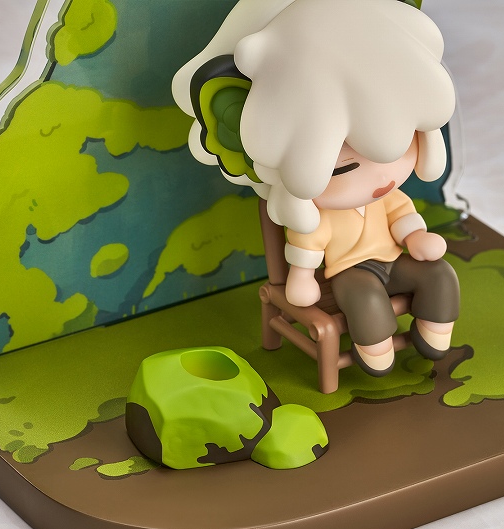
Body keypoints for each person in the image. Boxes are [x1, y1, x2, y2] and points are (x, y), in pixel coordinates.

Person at [173, 0, 459, 376]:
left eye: (401, 147)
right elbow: (308, 251)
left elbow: (402, 216)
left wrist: (417, 237)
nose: (379, 180)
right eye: (346, 168)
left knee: (440, 274)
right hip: (350, 272)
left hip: (395, 261)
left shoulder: (389, 199)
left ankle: (433, 331)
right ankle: (375, 349)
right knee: (365, 298)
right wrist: (302, 278)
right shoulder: (316, 217)